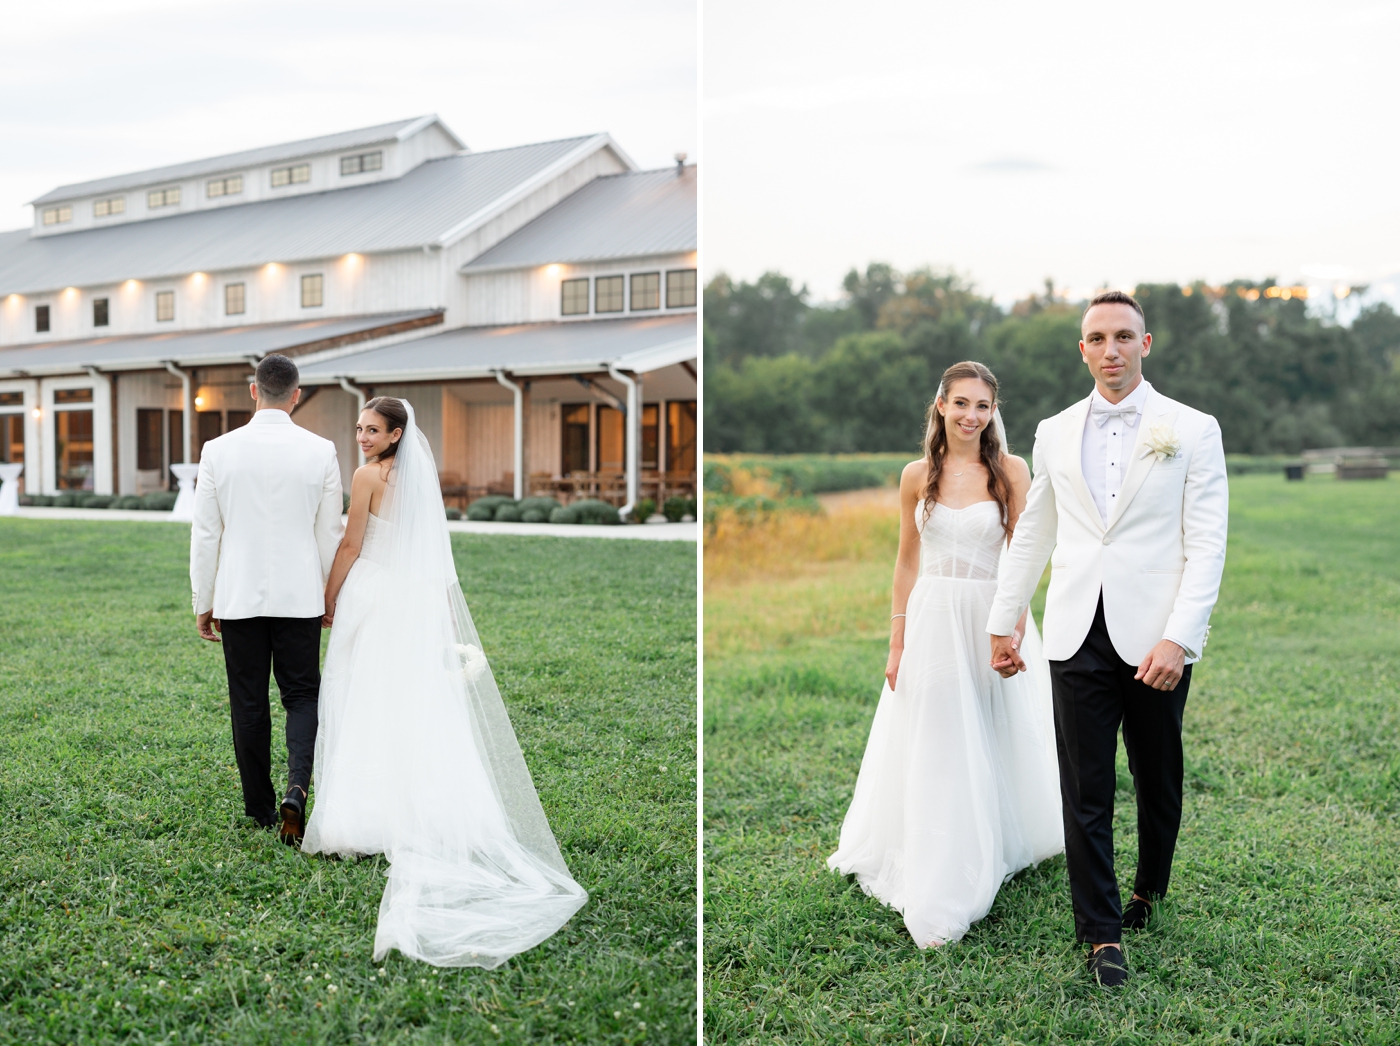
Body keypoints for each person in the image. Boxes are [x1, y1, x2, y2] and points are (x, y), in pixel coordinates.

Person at [987, 290, 1228, 987]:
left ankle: (1150, 887)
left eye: (1125, 336)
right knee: (1084, 787)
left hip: (1155, 634)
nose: (1111, 349)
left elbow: (1206, 544)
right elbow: (1035, 530)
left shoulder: (1194, 427)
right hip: (1072, 631)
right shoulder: (1054, 430)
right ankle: (1100, 933)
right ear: (1083, 349)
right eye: (1098, 338)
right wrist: (1004, 620)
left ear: (1145, 345)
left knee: (1158, 778)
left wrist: (1180, 639)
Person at [301, 396, 587, 968]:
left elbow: (352, 544)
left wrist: (327, 599)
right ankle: (419, 808)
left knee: (362, 698)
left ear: (396, 433)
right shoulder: (421, 483)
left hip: (375, 595)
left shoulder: (366, 477)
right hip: (415, 600)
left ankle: (364, 818)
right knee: (414, 701)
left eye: (372, 430)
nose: (361, 437)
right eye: (358, 429)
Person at [827, 361, 1064, 947]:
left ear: (993, 411)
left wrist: (1007, 627)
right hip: (932, 618)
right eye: (961, 403)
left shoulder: (1010, 470)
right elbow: (907, 561)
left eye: (982, 406)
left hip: (992, 617)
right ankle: (938, 853)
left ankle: (996, 839)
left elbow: (1023, 556)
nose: (971, 416)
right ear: (941, 406)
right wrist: (897, 638)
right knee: (937, 734)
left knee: (993, 727)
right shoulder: (915, 476)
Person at [190, 353, 344, 845]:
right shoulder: (321, 450)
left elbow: (205, 533)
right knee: (302, 696)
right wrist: (328, 594)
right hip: (300, 596)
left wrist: (203, 597)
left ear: (253, 391)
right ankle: (298, 788)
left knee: (248, 702)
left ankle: (259, 805)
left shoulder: (217, 449)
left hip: (238, 597)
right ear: (296, 395)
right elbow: (330, 533)